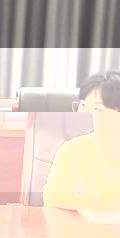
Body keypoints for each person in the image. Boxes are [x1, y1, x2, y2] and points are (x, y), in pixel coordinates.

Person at [42, 71, 120, 214]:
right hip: (84, 225)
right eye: (83, 105)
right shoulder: (72, 149)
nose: (85, 114)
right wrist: (95, 201)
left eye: (97, 109)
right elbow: (52, 197)